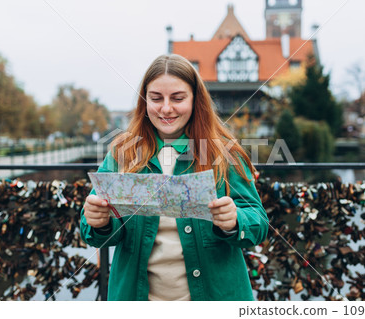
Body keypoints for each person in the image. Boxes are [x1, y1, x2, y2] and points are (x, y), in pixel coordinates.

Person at [80, 54, 269, 301]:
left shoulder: (225, 153)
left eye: (178, 98)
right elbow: (94, 232)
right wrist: (99, 221)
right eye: (156, 98)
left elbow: (259, 224)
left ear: (195, 100)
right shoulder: (121, 153)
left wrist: (235, 221)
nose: (166, 108)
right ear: (144, 101)